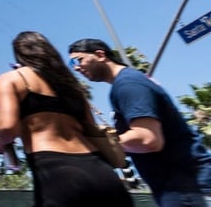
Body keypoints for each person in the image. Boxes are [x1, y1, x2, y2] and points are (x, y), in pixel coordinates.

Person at [0, 32, 132, 206]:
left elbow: (8, 129)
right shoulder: (71, 86)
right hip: (101, 170)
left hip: (56, 172)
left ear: (19, 55)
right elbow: (90, 128)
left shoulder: (12, 79)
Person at [69, 38, 211, 206]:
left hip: (185, 184)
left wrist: (102, 142)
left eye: (78, 60)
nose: (76, 67)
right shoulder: (126, 83)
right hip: (178, 184)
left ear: (100, 55)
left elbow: (147, 139)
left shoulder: (128, 85)